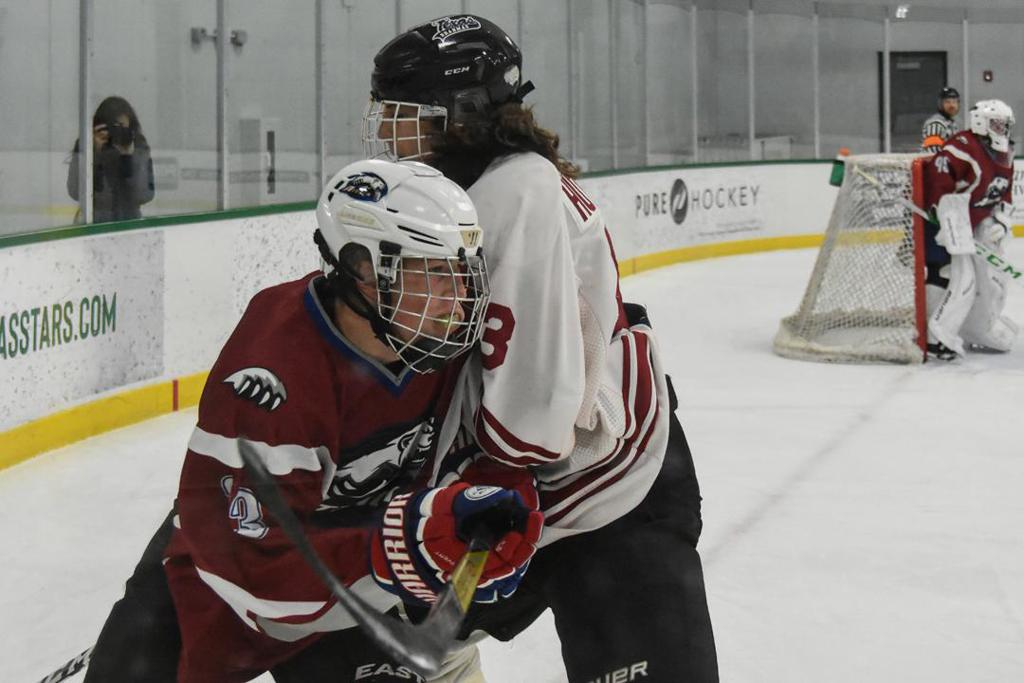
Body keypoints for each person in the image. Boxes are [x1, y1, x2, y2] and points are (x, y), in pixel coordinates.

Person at [82, 158, 542, 683]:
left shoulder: (440, 341)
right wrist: (403, 546)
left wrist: (490, 504)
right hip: (226, 583)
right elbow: (255, 568)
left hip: (357, 595)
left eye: (461, 271)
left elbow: (474, 453)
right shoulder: (272, 373)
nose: (458, 298)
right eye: (433, 271)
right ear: (363, 270)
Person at [360, 15, 718, 682]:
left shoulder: (514, 188)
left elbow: (537, 376)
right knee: (389, 634)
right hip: (535, 477)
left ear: (461, 113)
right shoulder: (478, 184)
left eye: (404, 118)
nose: (388, 137)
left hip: (610, 489)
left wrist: (505, 463)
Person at [922, 98, 1016, 360]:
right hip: (941, 224)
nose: (1002, 130)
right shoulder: (962, 146)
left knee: (992, 282)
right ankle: (935, 337)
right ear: (981, 122)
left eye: (1004, 124)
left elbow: (1004, 193)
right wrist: (944, 219)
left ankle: (979, 329)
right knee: (953, 276)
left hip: (973, 224)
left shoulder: (1004, 152)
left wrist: (1001, 221)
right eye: (997, 124)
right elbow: (937, 183)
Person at [67, 95, 155, 223]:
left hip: (128, 224)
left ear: (131, 128)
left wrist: (127, 157)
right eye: (113, 128)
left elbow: (144, 195)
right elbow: (75, 192)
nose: (117, 133)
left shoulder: (138, 148)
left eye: (122, 128)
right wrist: (95, 152)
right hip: (93, 223)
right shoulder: (86, 147)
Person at [921, 86, 961, 154]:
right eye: (947, 102)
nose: (952, 105)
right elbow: (933, 152)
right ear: (940, 104)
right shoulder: (935, 123)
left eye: (954, 102)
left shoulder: (953, 124)